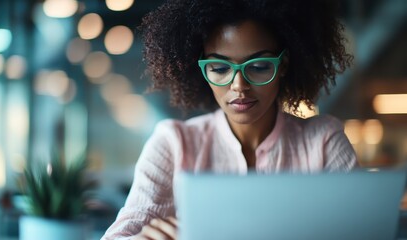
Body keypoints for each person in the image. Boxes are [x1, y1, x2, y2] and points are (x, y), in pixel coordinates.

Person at [102, 0, 357, 239]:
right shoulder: (174, 143)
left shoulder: (323, 141)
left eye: (258, 67)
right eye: (220, 69)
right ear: (202, 70)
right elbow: (121, 232)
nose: (239, 86)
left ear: (284, 66)